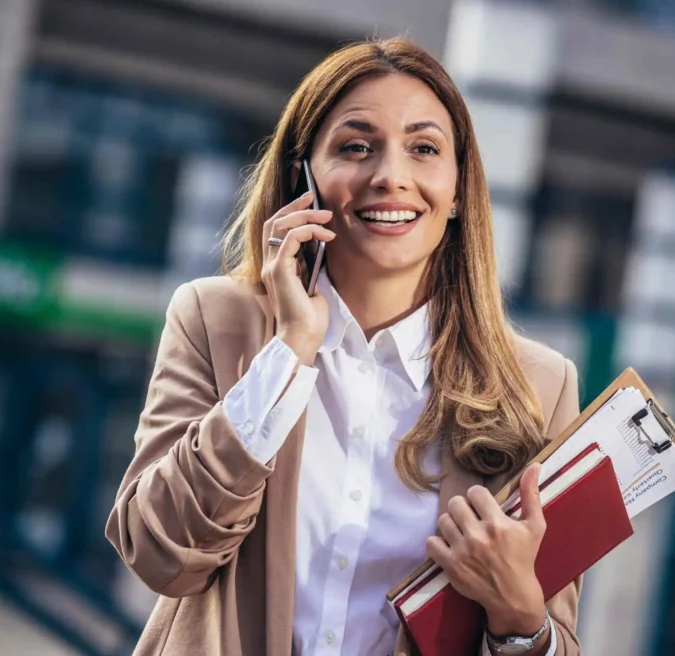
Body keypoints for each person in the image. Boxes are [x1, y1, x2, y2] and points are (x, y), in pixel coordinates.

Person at [106, 36, 582, 656]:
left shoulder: (539, 387)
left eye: (424, 149)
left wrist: (518, 614)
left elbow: (558, 636)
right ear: (303, 179)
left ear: (459, 188)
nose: (390, 176)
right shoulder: (216, 320)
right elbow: (160, 553)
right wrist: (288, 353)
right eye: (356, 147)